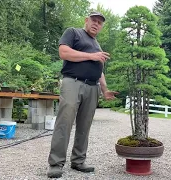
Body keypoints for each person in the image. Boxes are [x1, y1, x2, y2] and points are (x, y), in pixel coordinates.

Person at [47, 11, 118, 178]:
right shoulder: (73, 33)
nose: (96, 24)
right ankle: (55, 164)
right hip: (73, 82)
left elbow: (100, 71)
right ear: (86, 20)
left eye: (100, 23)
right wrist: (91, 56)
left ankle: (78, 161)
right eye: (94, 20)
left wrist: (105, 89)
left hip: (92, 87)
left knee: (84, 126)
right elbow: (63, 53)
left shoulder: (97, 45)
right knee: (64, 123)